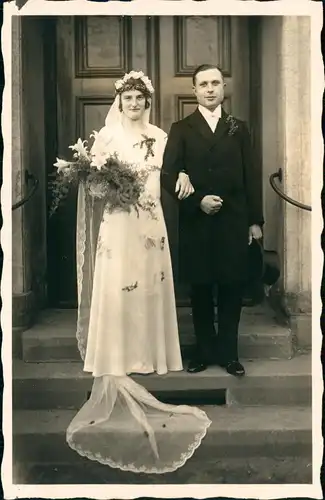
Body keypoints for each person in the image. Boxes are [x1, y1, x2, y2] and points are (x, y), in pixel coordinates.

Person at [66, 71, 211, 474]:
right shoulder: (106, 137)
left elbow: (173, 171)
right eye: (128, 98)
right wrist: (110, 187)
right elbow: (92, 186)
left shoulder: (162, 137)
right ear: (120, 101)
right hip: (118, 221)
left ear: (147, 101)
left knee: (148, 285)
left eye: (139, 98)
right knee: (118, 284)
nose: (134, 104)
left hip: (150, 220)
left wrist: (181, 175)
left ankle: (152, 353)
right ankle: (118, 353)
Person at [161, 64, 264, 378]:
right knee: (202, 289)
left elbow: (251, 176)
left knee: (232, 288)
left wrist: (254, 222)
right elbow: (167, 175)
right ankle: (204, 353)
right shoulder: (182, 128)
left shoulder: (238, 128)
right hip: (197, 222)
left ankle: (229, 355)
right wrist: (197, 201)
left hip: (233, 221)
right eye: (203, 84)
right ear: (194, 90)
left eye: (215, 83)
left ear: (223, 88)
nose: (209, 89)